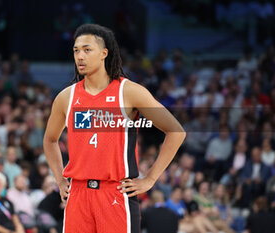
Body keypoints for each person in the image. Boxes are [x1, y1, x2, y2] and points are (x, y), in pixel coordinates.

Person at [43, 24, 186, 233]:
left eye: (87, 49)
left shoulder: (129, 92)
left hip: (115, 193)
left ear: (104, 53)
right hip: (78, 195)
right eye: (76, 50)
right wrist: (59, 178)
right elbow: (49, 139)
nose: (80, 56)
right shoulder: (66, 97)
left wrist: (150, 179)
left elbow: (176, 131)